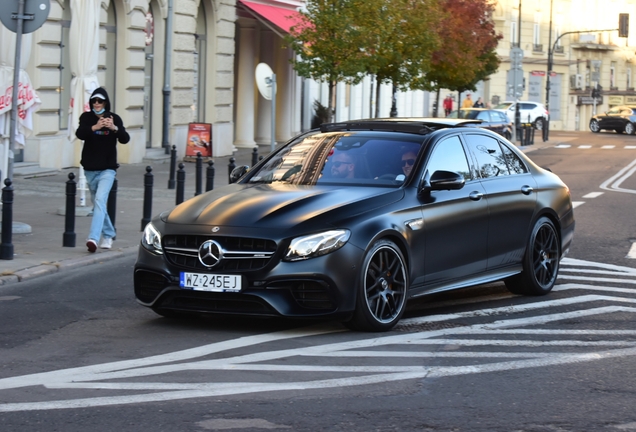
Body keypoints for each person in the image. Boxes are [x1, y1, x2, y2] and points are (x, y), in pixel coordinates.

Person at [75, 87, 130, 253]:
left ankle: (93, 238)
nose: (97, 104)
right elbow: (80, 133)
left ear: (106, 102)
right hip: (90, 169)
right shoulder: (86, 118)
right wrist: (95, 126)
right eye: (94, 101)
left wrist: (114, 128)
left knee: (100, 200)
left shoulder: (115, 118)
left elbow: (125, 139)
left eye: (100, 101)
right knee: (98, 204)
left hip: (108, 169)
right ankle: (109, 234)